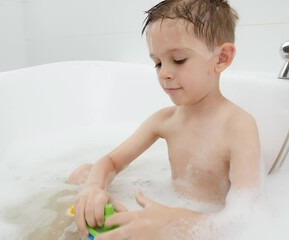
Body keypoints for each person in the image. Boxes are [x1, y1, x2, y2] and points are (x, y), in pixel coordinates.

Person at [68, 0, 261, 239]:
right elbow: (111, 161)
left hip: (207, 228)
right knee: (82, 175)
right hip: (173, 212)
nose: (164, 73)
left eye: (178, 60)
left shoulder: (238, 126)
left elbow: (244, 217)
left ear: (221, 58)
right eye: (157, 63)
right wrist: (94, 187)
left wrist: (175, 224)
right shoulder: (165, 121)